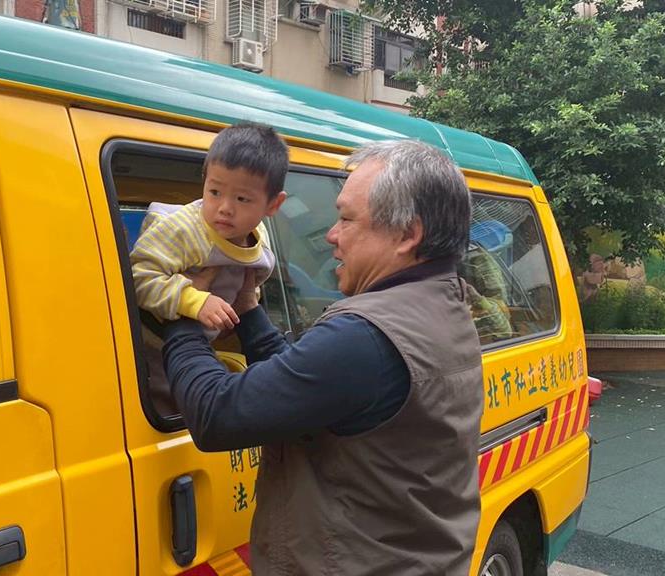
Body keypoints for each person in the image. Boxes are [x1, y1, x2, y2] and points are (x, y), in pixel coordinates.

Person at [161, 139, 483, 575]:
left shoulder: (365, 336)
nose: (331, 235)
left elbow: (217, 414)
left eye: (346, 219)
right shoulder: (441, 302)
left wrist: (182, 307)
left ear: (408, 235)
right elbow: (306, 384)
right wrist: (249, 312)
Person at [129, 122, 288, 411]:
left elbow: (248, 284)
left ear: (273, 205)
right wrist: (195, 301)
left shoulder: (258, 238)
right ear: (204, 180)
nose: (225, 207)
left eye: (242, 198)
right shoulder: (185, 231)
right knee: (169, 405)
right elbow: (137, 277)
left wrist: (236, 311)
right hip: (151, 341)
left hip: (201, 342)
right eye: (214, 191)